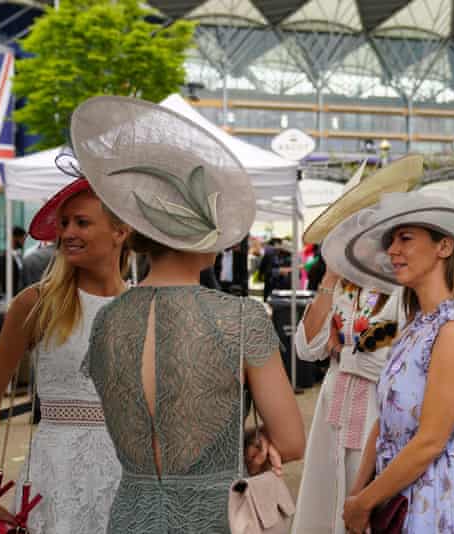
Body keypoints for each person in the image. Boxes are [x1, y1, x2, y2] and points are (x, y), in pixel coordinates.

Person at [71, 96, 305, 533]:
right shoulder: (240, 318)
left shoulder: (107, 321)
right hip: (215, 517)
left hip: (131, 515)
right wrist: (250, 442)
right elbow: (291, 442)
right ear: (205, 234)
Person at [330, 191, 454, 534]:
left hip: (432, 504)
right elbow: (385, 422)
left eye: (405, 238)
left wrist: (363, 503)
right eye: (392, 241)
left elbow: (431, 441)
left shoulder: (453, 330)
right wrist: (359, 494)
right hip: (395, 495)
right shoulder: (419, 323)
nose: (392, 250)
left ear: (444, 247)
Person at [0, 177, 130, 534]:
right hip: (55, 482)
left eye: (82, 222)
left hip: (130, 481)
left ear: (120, 231)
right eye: (64, 223)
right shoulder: (36, 303)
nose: (68, 232)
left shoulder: (144, 306)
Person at [292, 155, 423, 534]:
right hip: (334, 404)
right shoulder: (342, 286)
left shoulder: (404, 290)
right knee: (326, 493)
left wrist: (348, 353)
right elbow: (307, 348)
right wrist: (330, 278)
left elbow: (395, 364)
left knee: (366, 501)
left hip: (377, 411)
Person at [0, 226, 26, 296]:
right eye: (22, 238)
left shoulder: (20, 256)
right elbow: (4, 283)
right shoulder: (3, 259)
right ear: (14, 238)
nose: (24, 241)